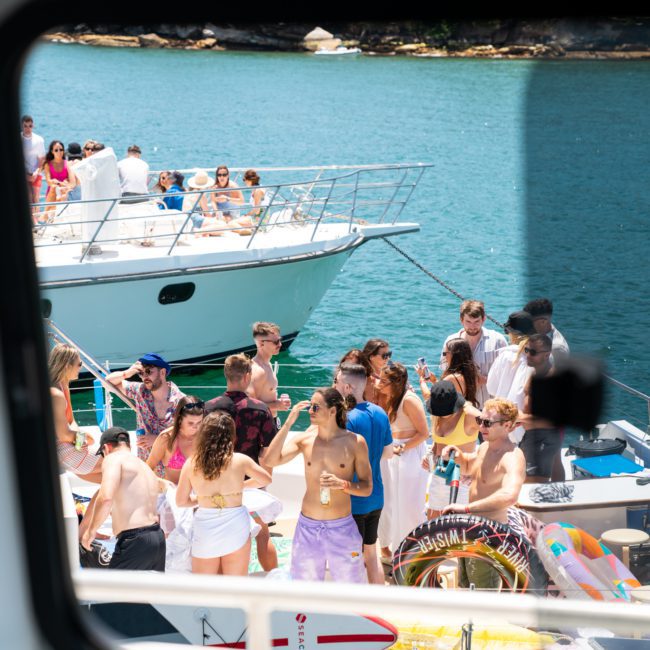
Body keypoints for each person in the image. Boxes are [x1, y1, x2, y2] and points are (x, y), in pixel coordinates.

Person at [264, 387, 372, 583]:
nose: (310, 411)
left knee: (352, 587)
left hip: (342, 528)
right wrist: (288, 423)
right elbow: (271, 460)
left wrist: (343, 484)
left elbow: (367, 487)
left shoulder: (355, 442)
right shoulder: (305, 440)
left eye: (315, 407)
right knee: (304, 589)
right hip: (308, 527)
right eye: (310, 406)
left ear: (332, 411)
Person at [440, 398, 526, 589]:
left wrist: (466, 508)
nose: (481, 427)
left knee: (482, 592)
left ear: (508, 426)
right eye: (480, 421)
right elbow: (471, 465)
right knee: (464, 584)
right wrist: (458, 455)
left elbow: (510, 495)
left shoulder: (512, 457)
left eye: (487, 423)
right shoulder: (486, 446)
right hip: (471, 528)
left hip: (489, 535)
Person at [205, 353, 279, 571]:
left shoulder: (209, 408)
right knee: (262, 532)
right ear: (247, 376)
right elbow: (268, 451)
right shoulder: (260, 409)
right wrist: (263, 481)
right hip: (249, 482)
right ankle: (273, 578)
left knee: (220, 537)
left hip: (216, 483)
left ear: (226, 374)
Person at [176, 412, 271, 576]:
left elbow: (181, 501)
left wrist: (200, 499)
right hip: (235, 523)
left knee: (205, 586)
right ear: (231, 436)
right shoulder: (240, 460)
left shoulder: (192, 463)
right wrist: (240, 487)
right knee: (235, 585)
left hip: (205, 525)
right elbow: (265, 479)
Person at [334, 363, 393, 584]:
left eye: (338, 382)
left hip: (353, 499)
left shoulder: (346, 418)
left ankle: (355, 609)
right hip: (376, 496)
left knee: (352, 558)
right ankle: (377, 602)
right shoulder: (380, 412)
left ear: (348, 387)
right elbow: (387, 453)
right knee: (371, 553)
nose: (336, 386)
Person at [81, 427, 167, 571]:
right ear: (129, 445)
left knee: (116, 592)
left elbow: (106, 498)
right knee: (149, 593)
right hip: (157, 538)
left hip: (135, 541)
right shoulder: (143, 466)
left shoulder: (113, 459)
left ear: (106, 448)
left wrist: (90, 532)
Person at [376, 362, 429, 563]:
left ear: (396, 382)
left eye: (384, 380)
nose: (379, 383)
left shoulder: (409, 400)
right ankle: (400, 550)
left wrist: (403, 448)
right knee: (395, 504)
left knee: (409, 506)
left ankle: (414, 552)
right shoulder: (392, 398)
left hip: (409, 454)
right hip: (396, 454)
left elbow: (424, 433)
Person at [106, 353, 185, 464]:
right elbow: (107, 382)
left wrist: (157, 440)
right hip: (146, 463)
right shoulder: (140, 391)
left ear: (162, 372)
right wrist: (128, 372)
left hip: (171, 467)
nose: (144, 377)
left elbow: (189, 437)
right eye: (141, 373)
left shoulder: (181, 402)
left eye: (148, 372)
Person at [423, 380, 481, 519]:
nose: (441, 414)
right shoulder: (437, 414)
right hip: (439, 474)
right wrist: (429, 455)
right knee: (433, 523)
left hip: (462, 480)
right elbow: (438, 444)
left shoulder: (469, 416)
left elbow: (494, 425)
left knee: (459, 527)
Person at [439, 300, 507, 408]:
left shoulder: (498, 340)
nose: (472, 326)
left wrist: (484, 380)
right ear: (461, 320)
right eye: (468, 322)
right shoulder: (450, 341)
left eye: (476, 321)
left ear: (484, 319)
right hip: (461, 407)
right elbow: (445, 370)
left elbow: (506, 374)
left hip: (490, 407)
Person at [49, 344, 102, 482]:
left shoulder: (63, 385)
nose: (81, 367)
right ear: (67, 366)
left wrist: (80, 443)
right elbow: (64, 435)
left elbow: (71, 420)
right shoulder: (56, 394)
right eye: (79, 364)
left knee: (111, 479)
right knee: (118, 462)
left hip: (68, 448)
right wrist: (86, 438)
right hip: (62, 452)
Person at [518, 333, 563, 483]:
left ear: (547, 355)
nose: (528, 355)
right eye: (526, 350)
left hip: (544, 439)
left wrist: (519, 418)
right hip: (532, 435)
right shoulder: (534, 372)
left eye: (533, 352)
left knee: (533, 488)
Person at [486, 310, 536, 443]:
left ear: (512, 334)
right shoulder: (539, 357)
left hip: (506, 425)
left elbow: (491, 387)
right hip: (530, 424)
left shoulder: (505, 356)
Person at [146, 395, 205, 484]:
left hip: (199, 494)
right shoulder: (166, 438)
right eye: (190, 423)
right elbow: (148, 468)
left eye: (199, 422)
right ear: (180, 419)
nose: (195, 427)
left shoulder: (205, 436)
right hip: (173, 494)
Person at [247, 322, 291, 418]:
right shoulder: (257, 370)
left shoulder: (267, 365)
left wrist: (280, 403)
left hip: (270, 421)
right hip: (261, 426)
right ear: (261, 343)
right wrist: (277, 405)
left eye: (279, 340)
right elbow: (250, 405)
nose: (280, 344)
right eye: (275, 342)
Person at [419, 337, 479, 407]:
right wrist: (434, 380)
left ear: (454, 355)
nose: (444, 357)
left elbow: (429, 397)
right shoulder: (472, 375)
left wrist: (422, 381)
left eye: (445, 353)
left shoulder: (451, 378)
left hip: (452, 417)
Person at [41, 140, 77, 221]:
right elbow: (48, 181)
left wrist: (62, 184)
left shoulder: (67, 163)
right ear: (52, 152)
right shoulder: (48, 164)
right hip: (52, 193)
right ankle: (47, 214)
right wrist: (55, 182)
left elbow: (73, 183)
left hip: (64, 190)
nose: (59, 152)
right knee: (54, 187)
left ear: (64, 151)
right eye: (56, 150)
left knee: (59, 191)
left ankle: (45, 214)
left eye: (61, 149)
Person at [21, 115, 45, 221]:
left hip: (36, 173)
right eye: (25, 126)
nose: (28, 128)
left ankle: (35, 222)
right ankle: (29, 223)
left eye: (30, 126)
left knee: (36, 197)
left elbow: (42, 159)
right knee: (28, 197)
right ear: (22, 126)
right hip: (23, 174)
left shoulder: (39, 140)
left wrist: (36, 172)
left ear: (33, 125)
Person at [361, 338, 391, 404]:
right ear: (371, 357)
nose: (388, 358)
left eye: (389, 354)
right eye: (384, 356)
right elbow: (371, 404)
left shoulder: (388, 374)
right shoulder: (368, 379)